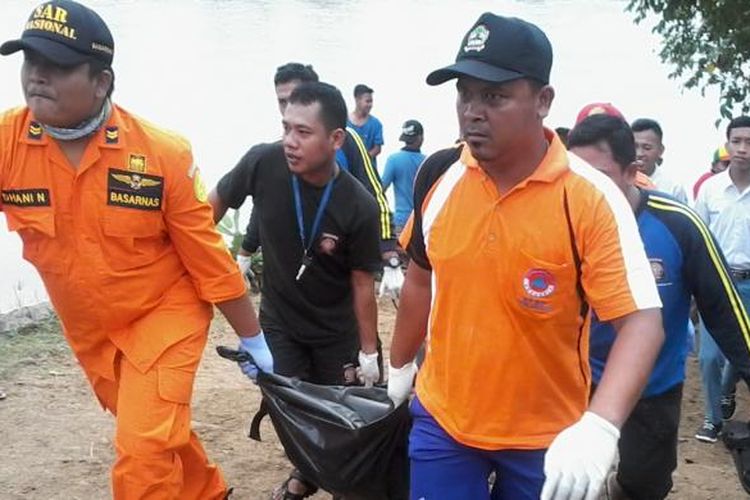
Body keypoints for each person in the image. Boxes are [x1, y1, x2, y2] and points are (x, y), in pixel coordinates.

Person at [0, 1, 274, 498]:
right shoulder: (7, 143)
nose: (38, 76)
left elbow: (207, 257)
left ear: (102, 81)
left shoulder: (160, 155)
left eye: (58, 65)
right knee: (152, 430)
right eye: (30, 61)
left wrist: (254, 340)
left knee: (143, 451)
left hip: (164, 316)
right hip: (92, 332)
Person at [387, 13, 664, 500]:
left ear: (543, 101)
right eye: (465, 93)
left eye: (494, 96)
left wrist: (600, 426)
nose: (472, 111)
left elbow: (641, 323)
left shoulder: (589, 198)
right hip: (444, 419)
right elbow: (420, 278)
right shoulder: (440, 176)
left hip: (549, 436)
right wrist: (398, 366)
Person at [211, 81, 383, 499]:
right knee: (289, 407)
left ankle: (332, 481)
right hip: (279, 322)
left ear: (335, 139)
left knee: (345, 418)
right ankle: (304, 474)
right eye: (286, 128)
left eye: (303, 132)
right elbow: (203, 213)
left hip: (335, 329)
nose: (289, 141)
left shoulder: (357, 204)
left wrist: (369, 354)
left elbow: (363, 284)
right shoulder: (262, 162)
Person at [568, 114, 750, 499]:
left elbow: (724, 309)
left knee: (644, 486)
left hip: (653, 385)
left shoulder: (679, 225)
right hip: (573, 383)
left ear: (632, 172)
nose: (584, 190)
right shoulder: (557, 220)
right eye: (575, 177)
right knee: (566, 484)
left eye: (600, 177)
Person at [230, 64, 396, 277]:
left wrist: (389, 250)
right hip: (293, 250)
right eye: (282, 101)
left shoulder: (348, 140)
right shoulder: (281, 150)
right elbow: (264, 201)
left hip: (338, 247)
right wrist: (246, 251)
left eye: (297, 97)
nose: (290, 106)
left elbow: (374, 194)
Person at [694, 116, 750, 442]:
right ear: (728, 144)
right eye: (737, 141)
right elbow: (697, 236)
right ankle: (713, 419)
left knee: (741, 353)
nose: (743, 149)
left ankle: (728, 391)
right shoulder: (711, 190)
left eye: (749, 142)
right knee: (709, 356)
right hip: (717, 283)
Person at [381, 119, 426, 234]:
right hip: (421, 222)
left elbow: (381, 189)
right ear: (420, 138)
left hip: (400, 222)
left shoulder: (394, 160)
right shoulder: (426, 161)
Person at [631, 118, 688, 203]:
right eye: (634, 147)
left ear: (661, 150)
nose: (639, 154)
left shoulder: (673, 187)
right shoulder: (619, 182)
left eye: (647, 148)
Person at [347, 83, 384, 166]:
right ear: (357, 100)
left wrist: (362, 161)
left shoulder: (376, 124)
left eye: (371, 101)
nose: (370, 105)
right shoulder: (345, 122)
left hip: (367, 170)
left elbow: (377, 148)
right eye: (367, 101)